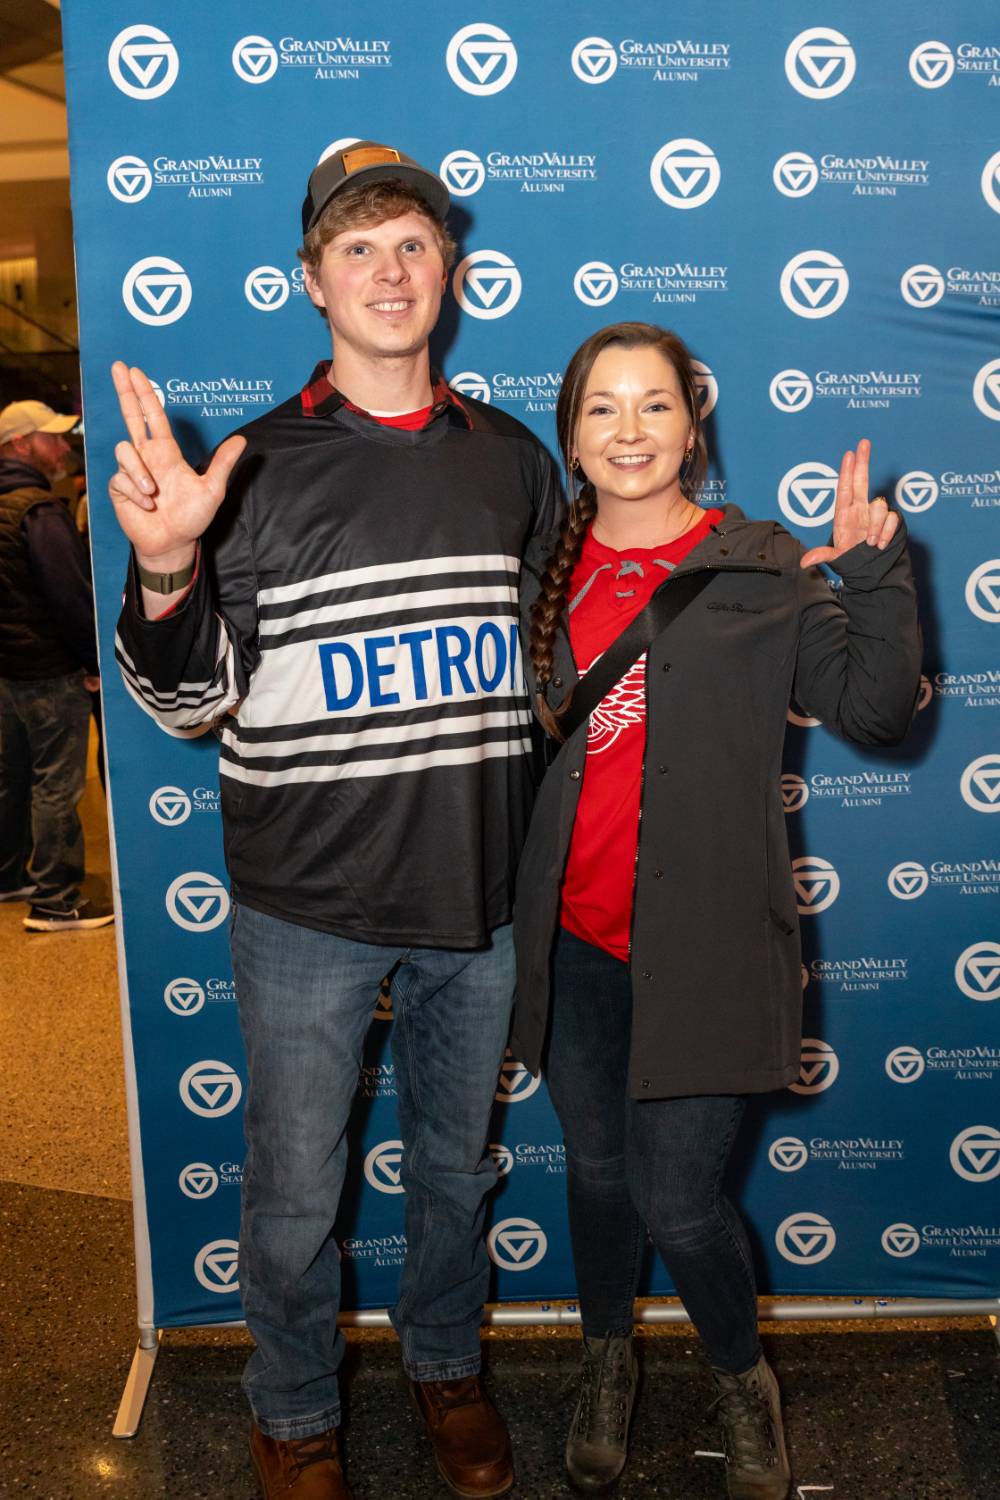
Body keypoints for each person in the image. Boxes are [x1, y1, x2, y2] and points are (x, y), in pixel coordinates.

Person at [108, 143, 562, 1500]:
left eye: (412, 243)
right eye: (356, 247)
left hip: (475, 900)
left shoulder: (515, 460)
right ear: (312, 279)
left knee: (453, 1172)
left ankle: (443, 1368)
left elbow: (542, 664)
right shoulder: (249, 465)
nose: (388, 269)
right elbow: (187, 706)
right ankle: (294, 1406)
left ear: (453, 274)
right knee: (296, 1194)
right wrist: (167, 563)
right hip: (305, 906)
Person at [511, 322, 921, 1500]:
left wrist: (874, 573)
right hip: (575, 942)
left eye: (652, 406)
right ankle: (605, 1361)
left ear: (694, 424)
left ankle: (742, 1382)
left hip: (706, 947)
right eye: (601, 408)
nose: (627, 431)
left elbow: (879, 713)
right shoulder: (543, 565)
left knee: (678, 1203)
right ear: (572, 433)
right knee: (595, 1174)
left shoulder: (759, 564)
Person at [0, 399, 113, 931]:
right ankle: (55, 898)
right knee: (55, 786)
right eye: (53, 438)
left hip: (8, 673)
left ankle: (9, 875)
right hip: (49, 672)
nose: (64, 446)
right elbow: (70, 595)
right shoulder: (37, 509)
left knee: (12, 778)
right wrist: (95, 660)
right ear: (22, 445)